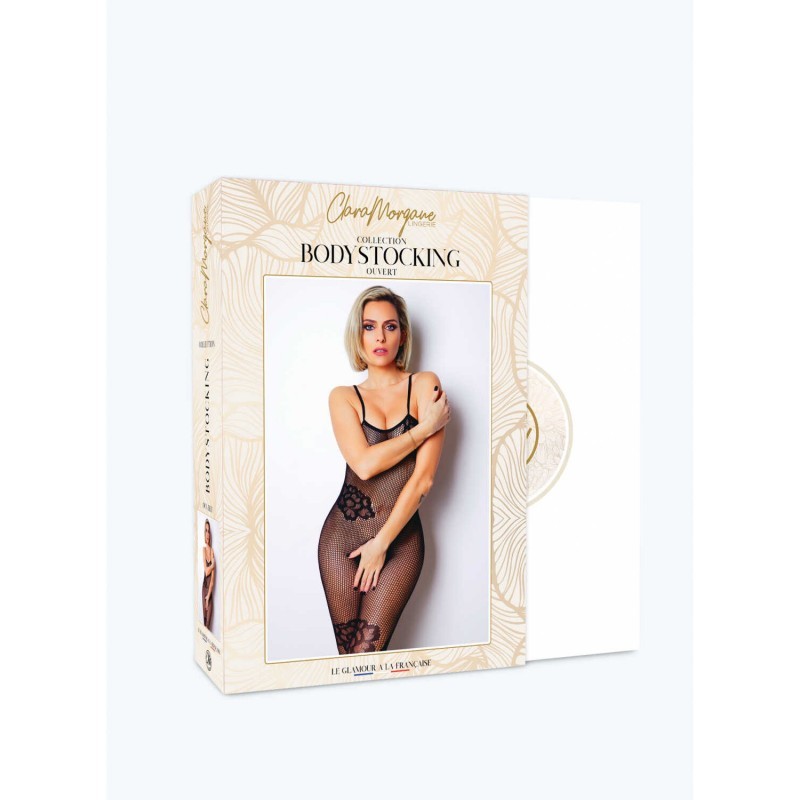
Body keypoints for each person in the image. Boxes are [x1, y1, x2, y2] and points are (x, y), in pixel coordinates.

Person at [318, 286, 451, 654]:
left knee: (367, 656)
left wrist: (381, 543)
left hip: (401, 541)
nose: (380, 337)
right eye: (369, 327)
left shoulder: (424, 384)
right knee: (349, 661)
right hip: (341, 538)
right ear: (358, 335)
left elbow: (424, 479)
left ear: (402, 335)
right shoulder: (343, 396)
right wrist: (424, 428)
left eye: (390, 327)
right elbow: (364, 465)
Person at [202, 518, 215, 630]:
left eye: (209, 531)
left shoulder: (212, 551)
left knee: (208, 624)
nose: (207, 534)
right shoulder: (203, 550)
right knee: (204, 622)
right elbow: (206, 572)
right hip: (204, 589)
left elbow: (212, 580)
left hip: (209, 591)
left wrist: (208, 597)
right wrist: (212, 565)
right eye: (206, 531)